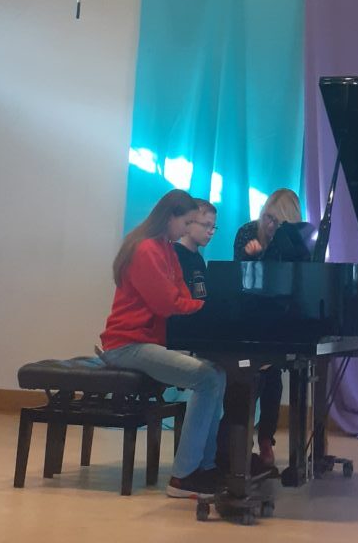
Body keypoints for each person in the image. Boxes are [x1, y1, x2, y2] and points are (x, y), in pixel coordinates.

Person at [99, 189, 226, 501]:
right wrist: (206, 308)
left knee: (218, 374)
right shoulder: (146, 250)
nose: (187, 229)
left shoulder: (166, 249)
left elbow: (183, 295)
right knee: (207, 378)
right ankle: (183, 477)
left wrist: (200, 306)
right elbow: (167, 303)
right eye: (186, 222)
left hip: (144, 343)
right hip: (126, 345)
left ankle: (207, 467)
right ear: (170, 217)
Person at [228, 188, 303, 466]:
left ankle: (266, 439)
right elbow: (240, 280)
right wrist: (255, 259)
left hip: (280, 316)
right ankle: (240, 441)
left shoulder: (294, 240)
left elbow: (297, 281)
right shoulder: (248, 232)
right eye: (268, 217)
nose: (270, 225)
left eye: (278, 221)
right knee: (252, 374)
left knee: (273, 376)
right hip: (248, 315)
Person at [173, 199, 217, 301]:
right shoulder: (173, 256)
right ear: (187, 223)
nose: (211, 232)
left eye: (213, 227)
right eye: (206, 225)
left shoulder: (198, 259)